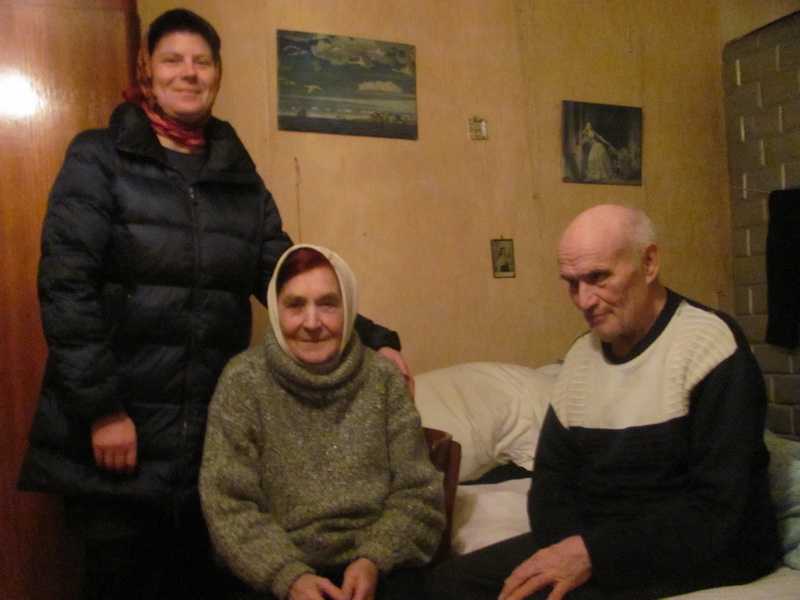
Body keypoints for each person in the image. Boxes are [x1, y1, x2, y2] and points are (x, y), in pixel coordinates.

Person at [17, 9, 411, 600]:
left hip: (205, 442)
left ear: (218, 74)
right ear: (147, 71)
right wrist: (102, 409)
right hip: (117, 440)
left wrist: (372, 338)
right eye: (172, 59)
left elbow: (284, 274)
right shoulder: (98, 157)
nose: (189, 72)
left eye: (202, 61)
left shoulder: (237, 174)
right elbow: (65, 287)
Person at [427, 204, 781, 600]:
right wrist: (566, 550)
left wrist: (592, 554)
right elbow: (550, 488)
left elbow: (719, 509)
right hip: (598, 541)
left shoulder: (710, 345)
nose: (584, 300)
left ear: (649, 263)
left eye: (598, 277)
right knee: (447, 585)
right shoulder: (582, 358)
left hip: (699, 548)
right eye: (572, 283)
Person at [200, 244, 445, 600]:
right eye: (295, 305)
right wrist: (289, 576)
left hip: (377, 568)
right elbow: (228, 505)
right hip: (274, 572)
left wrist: (373, 559)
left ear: (349, 309)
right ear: (276, 310)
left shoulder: (382, 379)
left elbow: (419, 492)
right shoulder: (243, 381)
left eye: (328, 304)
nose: (312, 323)